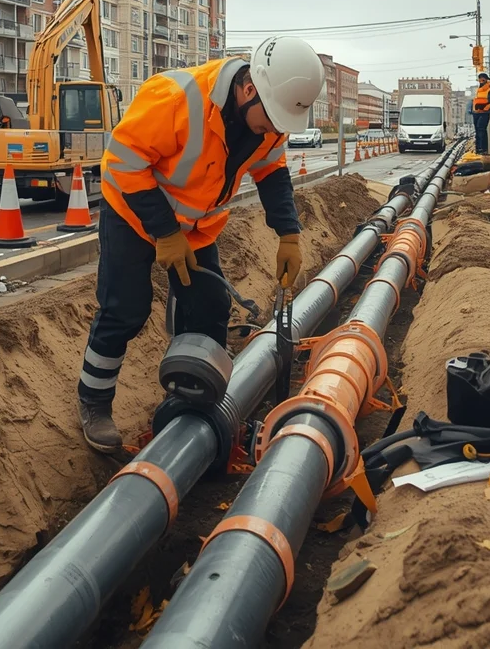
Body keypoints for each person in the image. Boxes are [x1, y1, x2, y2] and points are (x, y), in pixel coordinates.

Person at [76, 36, 326, 453]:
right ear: (249, 90)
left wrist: (289, 233)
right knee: (125, 309)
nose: (273, 132)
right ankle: (94, 402)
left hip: (195, 228)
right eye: (270, 121)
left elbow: (272, 172)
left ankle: (191, 399)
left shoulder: (268, 122)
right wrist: (165, 232)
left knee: (209, 307)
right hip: (133, 214)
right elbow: (123, 162)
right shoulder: (176, 98)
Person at [472, 72, 490, 154]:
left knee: (481, 129)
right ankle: (478, 149)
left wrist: (482, 105)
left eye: (482, 79)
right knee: (477, 130)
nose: (481, 80)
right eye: (479, 79)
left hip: (484, 112)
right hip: (477, 112)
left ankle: (483, 149)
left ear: (486, 80)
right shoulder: (479, 90)